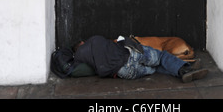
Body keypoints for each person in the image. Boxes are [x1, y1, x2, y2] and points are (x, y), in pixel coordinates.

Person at [72, 35, 208, 83]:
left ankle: (182, 72)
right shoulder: (96, 39)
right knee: (161, 56)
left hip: (125, 72)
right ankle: (184, 69)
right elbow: (119, 44)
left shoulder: (80, 58)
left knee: (154, 69)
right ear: (83, 43)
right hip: (130, 55)